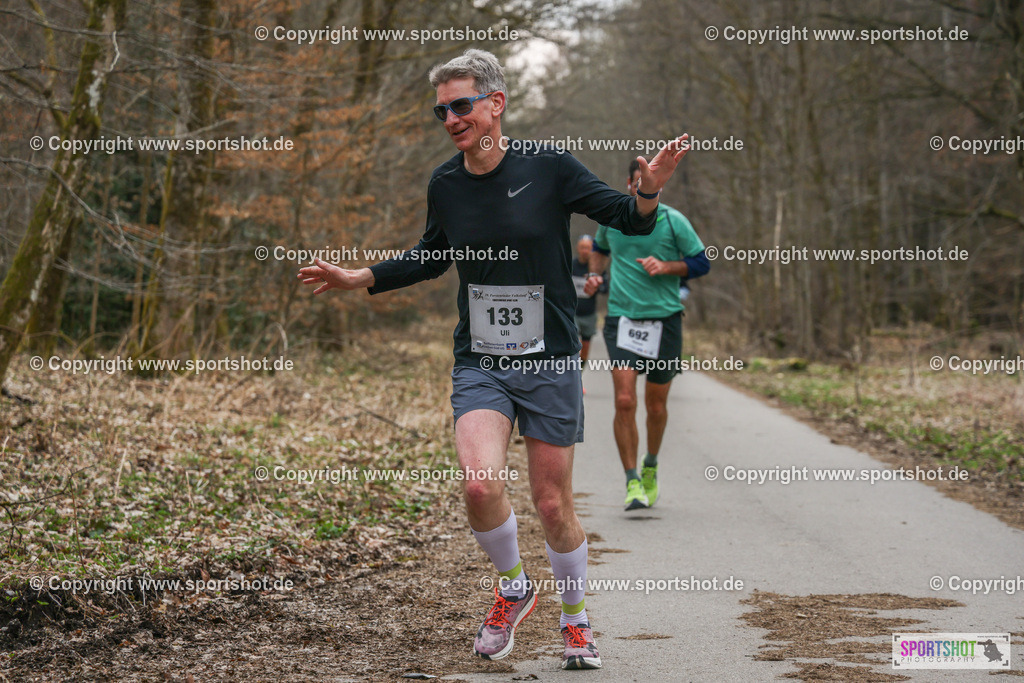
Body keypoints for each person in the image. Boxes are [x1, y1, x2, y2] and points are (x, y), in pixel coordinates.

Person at [299, 49, 689, 670]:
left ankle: (575, 619)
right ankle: (513, 587)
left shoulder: (550, 167)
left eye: (461, 105)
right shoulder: (446, 184)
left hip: (552, 357)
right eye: (441, 110)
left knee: (553, 503)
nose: (451, 118)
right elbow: (431, 255)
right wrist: (359, 278)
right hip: (481, 358)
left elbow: (626, 220)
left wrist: (649, 187)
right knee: (480, 483)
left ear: (495, 104)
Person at [584, 159, 709, 511]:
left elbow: (702, 262)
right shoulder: (613, 219)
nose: (645, 190)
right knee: (624, 400)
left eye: (652, 185)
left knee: (656, 405)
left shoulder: (673, 220)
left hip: (665, 321)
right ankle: (631, 481)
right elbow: (600, 251)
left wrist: (668, 267)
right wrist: (595, 276)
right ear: (629, 184)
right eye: (640, 184)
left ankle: (650, 465)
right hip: (622, 318)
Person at [571, 235, 605, 367]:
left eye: (588, 248)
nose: (585, 251)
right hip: (573, 314)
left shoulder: (596, 268)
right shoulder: (570, 265)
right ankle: (573, 379)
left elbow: (604, 288)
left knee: (584, 352)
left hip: (589, 314)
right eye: (582, 247)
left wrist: (596, 284)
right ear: (578, 248)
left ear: (592, 249)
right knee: (573, 348)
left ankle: (580, 378)